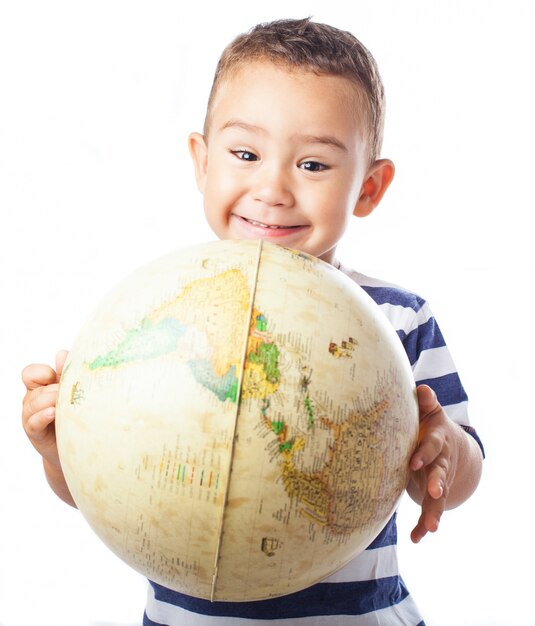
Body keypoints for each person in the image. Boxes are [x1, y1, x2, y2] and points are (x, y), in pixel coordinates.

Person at [21, 17, 484, 626]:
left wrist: (444, 451)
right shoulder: (150, 314)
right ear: (202, 161)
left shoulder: (396, 318)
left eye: (314, 165)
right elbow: (104, 494)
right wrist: (61, 455)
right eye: (245, 154)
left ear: (369, 188)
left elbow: (466, 466)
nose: (273, 189)